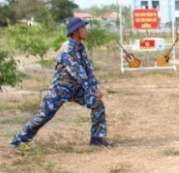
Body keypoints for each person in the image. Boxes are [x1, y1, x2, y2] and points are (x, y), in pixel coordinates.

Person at [11, 18, 111, 147]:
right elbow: (78, 73)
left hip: (76, 88)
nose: (86, 31)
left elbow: (88, 70)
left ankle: (97, 139)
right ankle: (18, 141)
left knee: (97, 104)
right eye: (83, 28)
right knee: (45, 115)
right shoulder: (67, 49)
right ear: (75, 31)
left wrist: (94, 88)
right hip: (60, 89)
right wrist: (92, 90)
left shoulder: (80, 47)